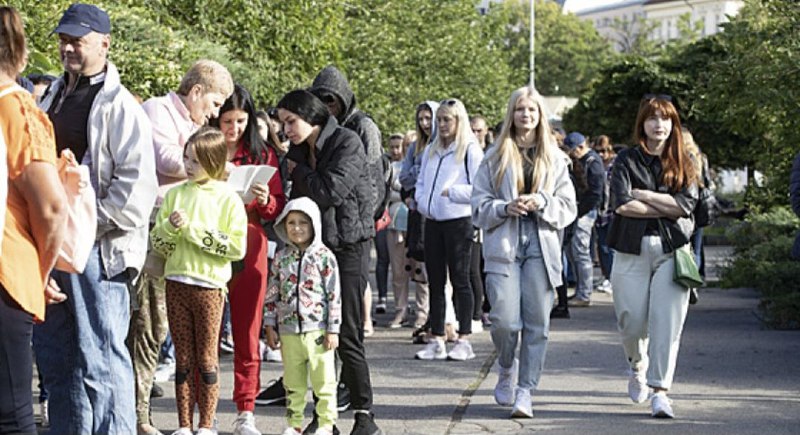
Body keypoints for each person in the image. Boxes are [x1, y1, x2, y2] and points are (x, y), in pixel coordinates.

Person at [34, 4, 158, 434]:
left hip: (99, 253)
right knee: (58, 363)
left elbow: (136, 195)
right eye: (63, 40)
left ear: (104, 43)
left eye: (78, 40)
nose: (68, 47)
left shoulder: (122, 107)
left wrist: (84, 222)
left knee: (101, 362)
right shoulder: (52, 96)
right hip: (53, 247)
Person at [133, 59, 233, 435]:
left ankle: (196, 419)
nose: (215, 113)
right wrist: (212, 165)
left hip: (194, 253)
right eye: (214, 103)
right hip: (154, 226)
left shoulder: (194, 126)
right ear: (196, 91)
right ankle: (139, 415)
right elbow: (166, 159)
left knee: (168, 335)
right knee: (147, 325)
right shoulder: (156, 110)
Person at [277, 89, 383, 435]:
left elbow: (329, 192)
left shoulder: (347, 142)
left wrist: (299, 173)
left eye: (291, 121)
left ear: (312, 117)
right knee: (317, 336)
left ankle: (365, 414)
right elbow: (297, 201)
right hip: (315, 248)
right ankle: (325, 418)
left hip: (349, 245)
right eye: (282, 123)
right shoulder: (297, 151)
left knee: (347, 332)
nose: (286, 130)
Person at [471, 86, 576, 418]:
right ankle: (506, 365)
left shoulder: (555, 157)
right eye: (520, 109)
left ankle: (525, 390)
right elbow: (478, 206)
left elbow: (568, 206)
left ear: (540, 114)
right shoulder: (495, 155)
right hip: (505, 242)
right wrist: (504, 207)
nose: (526, 115)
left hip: (542, 244)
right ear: (511, 114)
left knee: (537, 323)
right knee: (504, 320)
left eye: (532, 109)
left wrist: (542, 201)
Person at [151, 126, 248, 435]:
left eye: (196, 160)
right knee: (182, 358)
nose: (188, 165)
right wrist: (169, 227)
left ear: (214, 161)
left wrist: (192, 232)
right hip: (176, 283)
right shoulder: (175, 194)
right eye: (186, 158)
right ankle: (183, 423)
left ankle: (206, 424)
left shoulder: (228, 198)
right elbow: (158, 244)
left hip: (209, 286)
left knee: (206, 358)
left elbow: (236, 247)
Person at [608, 94, 698, 419]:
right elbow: (621, 204)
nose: (659, 124)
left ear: (673, 124)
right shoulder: (626, 159)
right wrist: (666, 205)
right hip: (631, 248)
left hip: (673, 250)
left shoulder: (684, 160)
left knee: (667, 321)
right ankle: (637, 365)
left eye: (665, 118)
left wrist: (646, 195)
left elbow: (686, 205)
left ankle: (660, 391)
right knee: (631, 321)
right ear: (642, 123)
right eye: (652, 118)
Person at [0, 7, 67, 432]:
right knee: (12, 414)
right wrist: (41, 271)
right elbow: (51, 207)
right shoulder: (17, 108)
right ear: (21, 56)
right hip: (7, 271)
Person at [211, 83, 286, 435]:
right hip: (208, 239)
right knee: (206, 330)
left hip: (250, 239)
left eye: (240, 121)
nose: (234, 128)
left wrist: (265, 199)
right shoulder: (205, 147)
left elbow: (276, 205)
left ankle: (246, 409)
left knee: (248, 328)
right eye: (227, 120)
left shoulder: (261, 153)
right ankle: (203, 408)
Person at [309, 65, 383, 341]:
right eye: (320, 99)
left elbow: (375, 179)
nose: (327, 106)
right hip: (325, 227)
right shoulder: (317, 129)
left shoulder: (362, 126)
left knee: (350, 314)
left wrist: (363, 221)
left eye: (331, 100)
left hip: (354, 229)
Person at [413, 98, 483, 361]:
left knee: (460, 279)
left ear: (458, 121)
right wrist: (422, 201)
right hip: (432, 221)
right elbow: (421, 181)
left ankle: (464, 339)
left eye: (447, 120)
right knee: (435, 282)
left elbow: (481, 189)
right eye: (439, 119)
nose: (441, 125)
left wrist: (453, 193)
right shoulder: (431, 150)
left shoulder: (470, 150)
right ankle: (437, 338)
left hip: (459, 221)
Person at [264, 197, 341, 435]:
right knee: (293, 384)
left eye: (303, 223)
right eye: (291, 223)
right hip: (288, 332)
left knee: (324, 382)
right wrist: (269, 324)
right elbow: (272, 292)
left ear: (314, 225)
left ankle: (326, 424)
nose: (297, 228)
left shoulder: (324, 256)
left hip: (318, 331)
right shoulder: (281, 257)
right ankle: (294, 424)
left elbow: (334, 295)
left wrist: (333, 329)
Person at [399, 101, 438, 334]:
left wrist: (421, 172)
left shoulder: (443, 145)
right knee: (419, 265)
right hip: (417, 212)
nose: (424, 123)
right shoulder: (415, 147)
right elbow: (404, 178)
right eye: (421, 119)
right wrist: (420, 170)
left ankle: (441, 318)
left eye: (428, 118)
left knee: (439, 269)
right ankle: (423, 314)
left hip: (438, 213)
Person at [563, 132, 605, 307]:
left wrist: (579, 212)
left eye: (572, 150)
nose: (570, 154)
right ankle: (581, 291)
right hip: (579, 211)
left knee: (580, 252)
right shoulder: (586, 160)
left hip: (585, 212)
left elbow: (595, 193)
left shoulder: (593, 163)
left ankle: (584, 294)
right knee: (574, 252)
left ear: (580, 147)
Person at [385, 131, 415, 328]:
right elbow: (388, 192)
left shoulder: (423, 165)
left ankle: (423, 311)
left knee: (420, 270)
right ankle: (400, 309)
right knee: (398, 269)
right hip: (395, 223)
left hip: (418, 222)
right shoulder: (392, 167)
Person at [592, 135, 616, 294]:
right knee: (601, 246)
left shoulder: (616, 164)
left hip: (612, 211)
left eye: (604, 151)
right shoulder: (598, 164)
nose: (601, 154)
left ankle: (612, 278)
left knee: (610, 247)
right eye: (598, 151)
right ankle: (606, 275)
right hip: (600, 211)